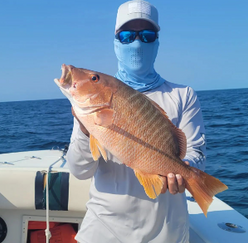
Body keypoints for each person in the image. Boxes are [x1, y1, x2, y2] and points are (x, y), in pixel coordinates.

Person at [66, 0, 206, 242]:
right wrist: (84, 130)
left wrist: (184, 171)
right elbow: (79, 170)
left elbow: (196, 154)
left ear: (157, 42)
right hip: (103, 230)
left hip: (168, 233)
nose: (137, 43)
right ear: (116, 42)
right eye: (128, 35)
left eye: (147, 35)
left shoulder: (183, 94)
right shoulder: (95, 102)